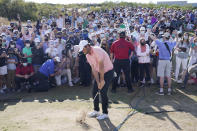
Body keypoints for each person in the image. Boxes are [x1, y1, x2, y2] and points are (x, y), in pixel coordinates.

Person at [78, 40, 114, 120]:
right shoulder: (87, 55)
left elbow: (101, 66)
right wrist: (98, 82)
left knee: (103, 91)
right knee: (94, 91)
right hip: (100, 72)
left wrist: (102, 80)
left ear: (87, 46)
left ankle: (105, 113)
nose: (82, 51)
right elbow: (94, 69)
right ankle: (96, 110)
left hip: (108, 72)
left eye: (83, 49)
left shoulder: (97, 50)